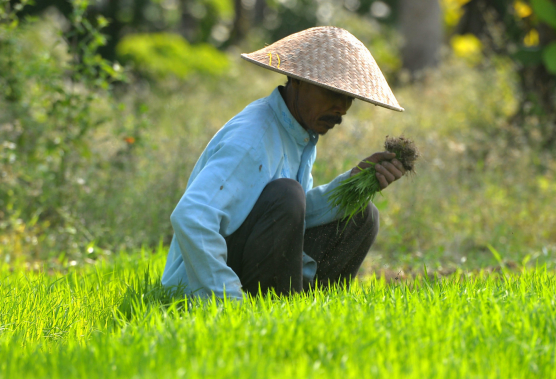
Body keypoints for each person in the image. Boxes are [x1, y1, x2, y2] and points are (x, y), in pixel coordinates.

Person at [161, 26, 408, 300]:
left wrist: (352, 184)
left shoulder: (299, 134)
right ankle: (268, 315)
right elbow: (192, 217)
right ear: (296, 80)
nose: (342, 107)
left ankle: (311, 313)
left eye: (348, 96)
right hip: (198, 289)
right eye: (331, 91)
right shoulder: (253, 137)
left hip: (250, 259)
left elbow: (293, 216)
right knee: (287, 193)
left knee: (362, 213)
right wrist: (229, 302)